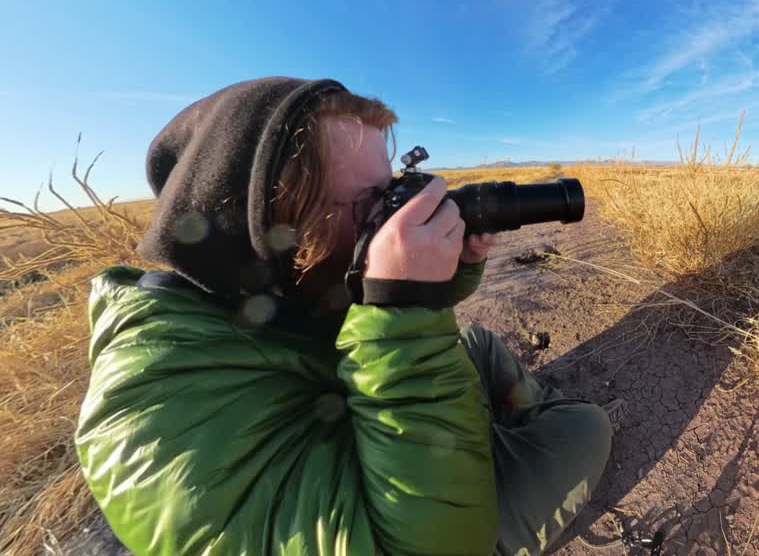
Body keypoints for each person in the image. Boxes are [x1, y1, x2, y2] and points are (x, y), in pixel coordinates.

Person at [75, 77, 613, 555]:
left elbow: (338, 297)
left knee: (476, 343)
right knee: (583, 427)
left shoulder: (256, 292)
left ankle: (485, 427)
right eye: (371, 204)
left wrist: (447, 271)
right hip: (417, 527)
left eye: (394, 191)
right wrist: (401, 308)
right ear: (270, 227)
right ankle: (502, 436)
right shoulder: (152, 422)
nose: (394, 216)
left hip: (369, 435)